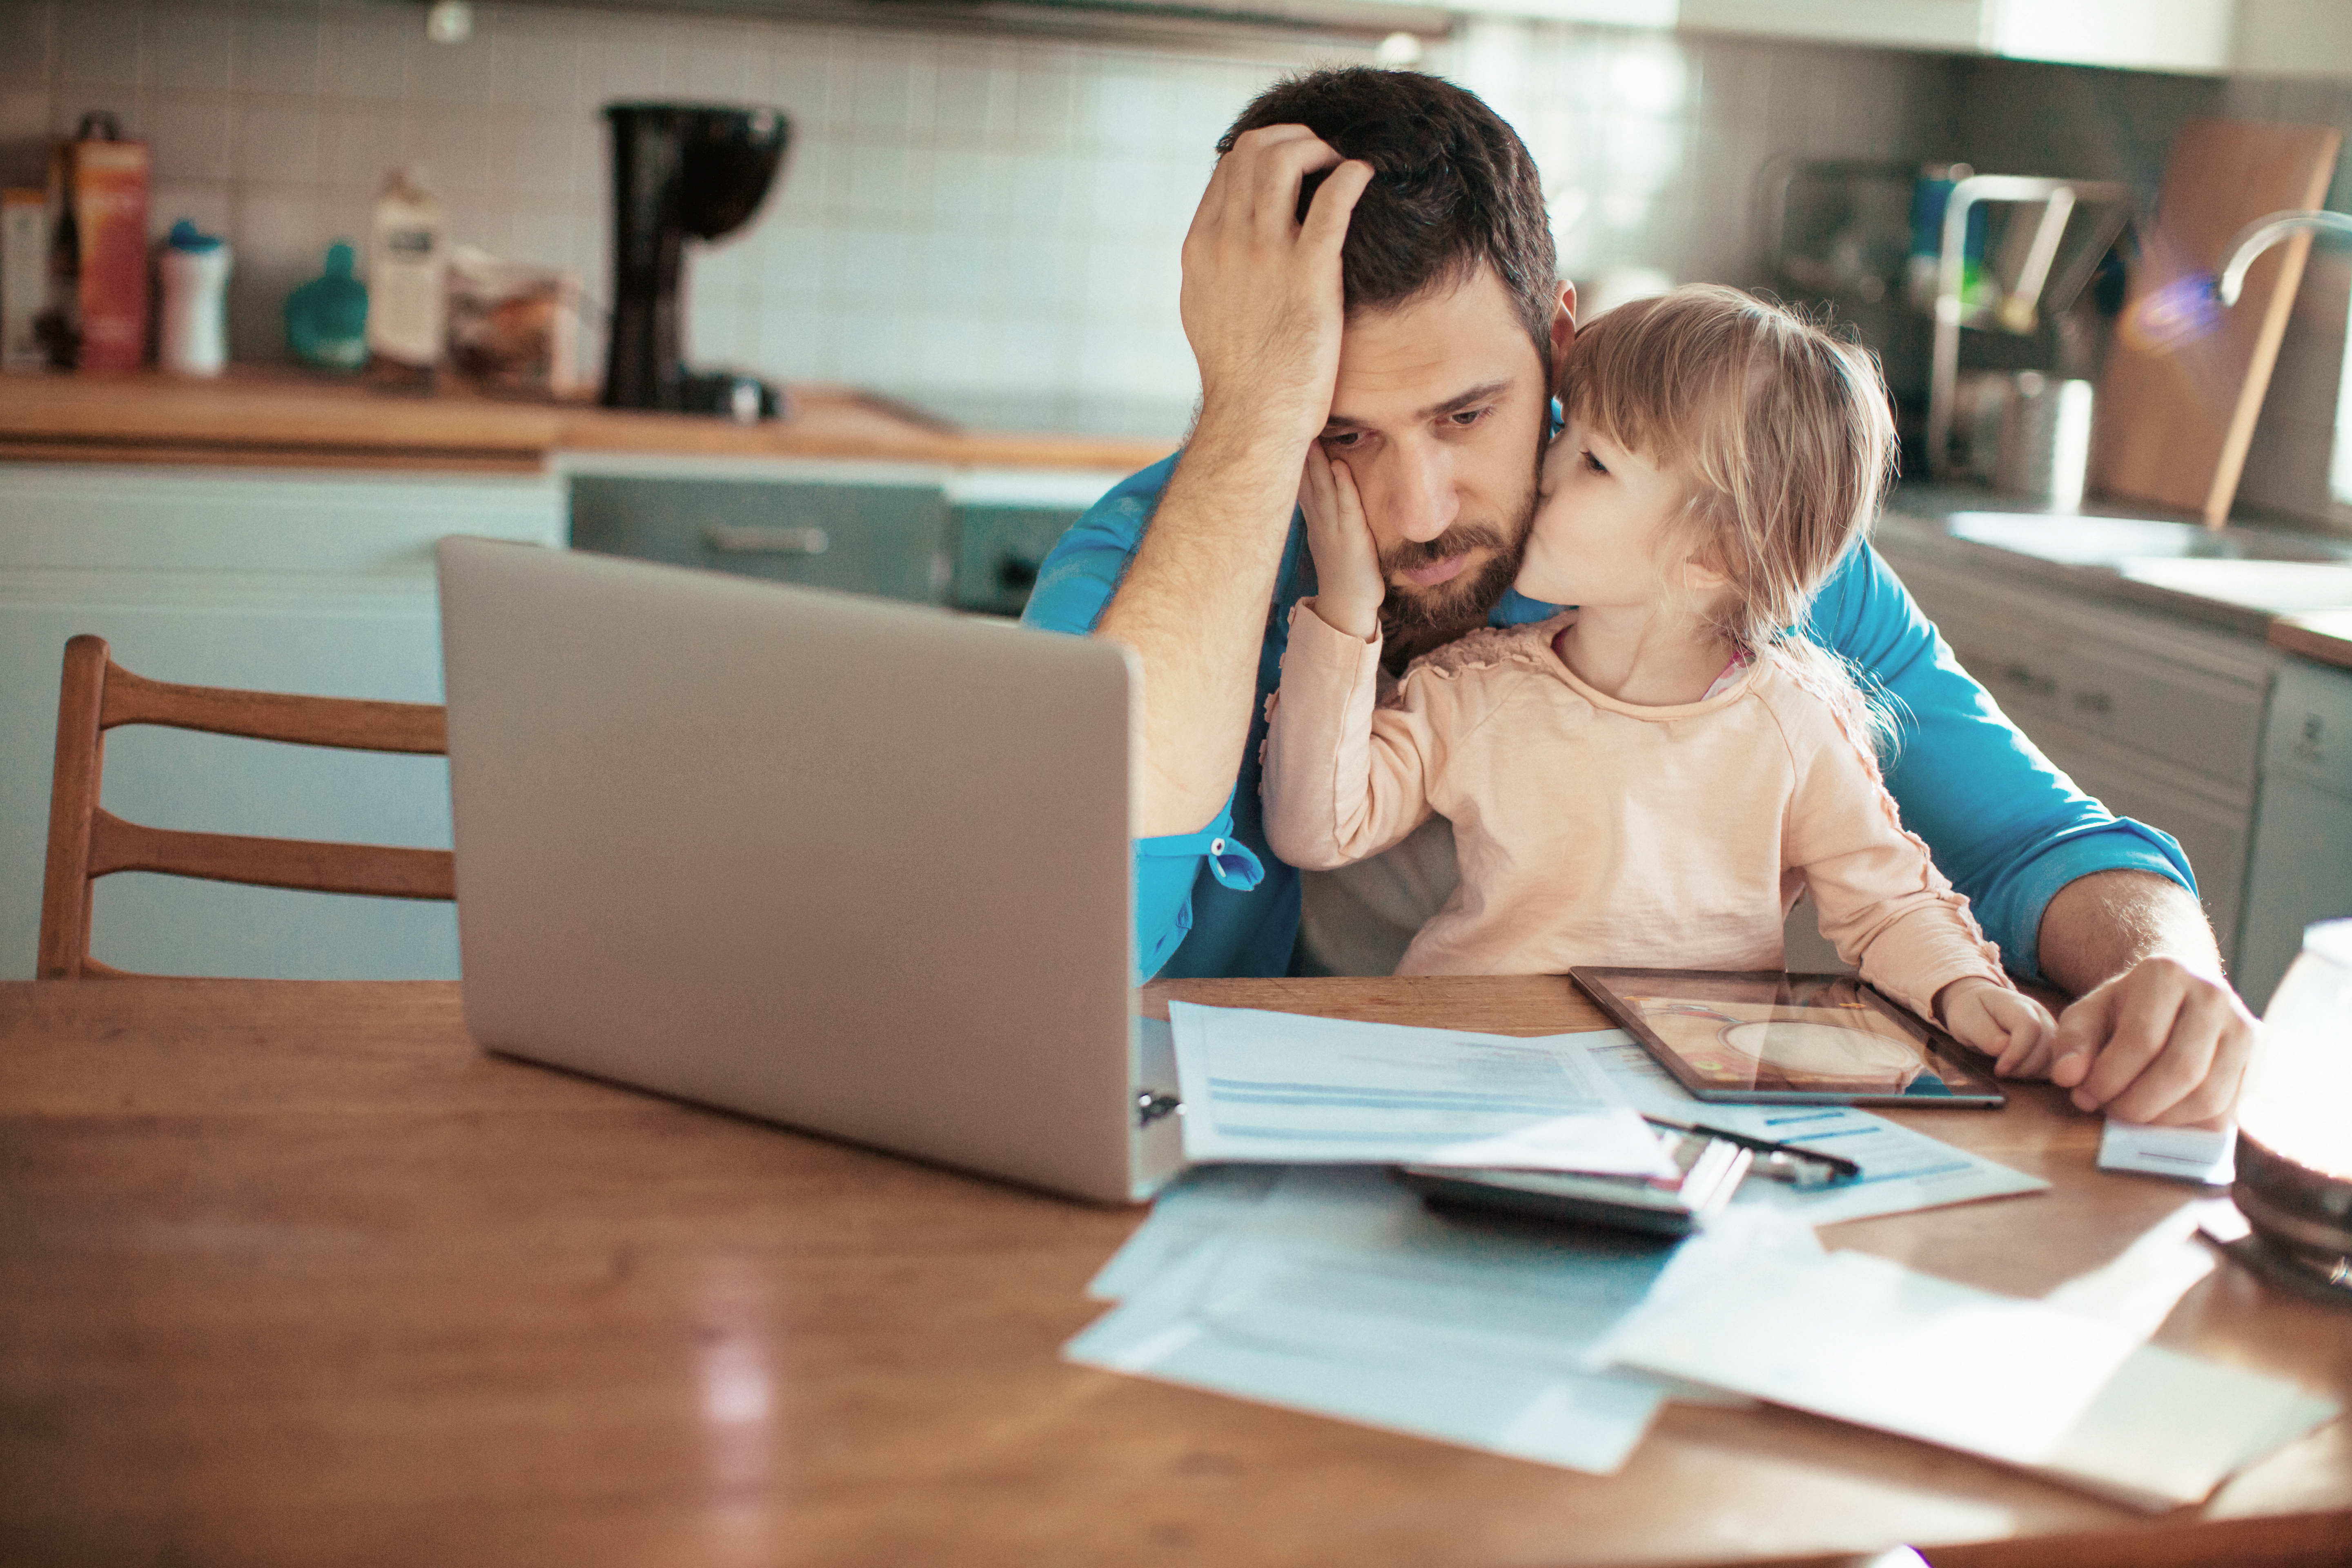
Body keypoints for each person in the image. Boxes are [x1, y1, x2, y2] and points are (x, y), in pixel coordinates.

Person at [1019, 66, 2255, 1126]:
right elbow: (1064, 956)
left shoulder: (1710, 537)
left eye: (1468, 414)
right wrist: (1252, 415)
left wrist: (2170, 979)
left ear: (1561, 343)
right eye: (1337, 433)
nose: (1422, 509)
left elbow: (2035, 840)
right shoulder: (1145, 562)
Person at [1261, 284, 2059, 1072]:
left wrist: (1963, 988)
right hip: (1467, 1062)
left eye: (1595, 462)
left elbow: (1890, 905)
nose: (1544, 471)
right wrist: (1345, 609)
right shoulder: (1476, 688)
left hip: (1686, 1094)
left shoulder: (1797, 728)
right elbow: (1317, 829)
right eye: (1566, 438)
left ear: (1714, 556)